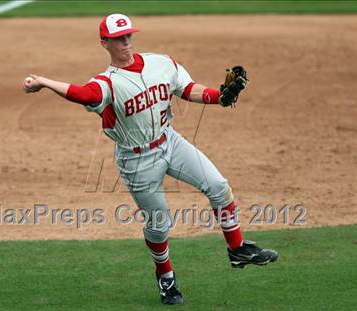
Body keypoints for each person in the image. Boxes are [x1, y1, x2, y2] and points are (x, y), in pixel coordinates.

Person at [23, 13, 278, 305]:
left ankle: (237, 249)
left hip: (169, 142)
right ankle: (165, 277)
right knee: (159, 224)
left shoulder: (161, 63)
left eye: (129, 35)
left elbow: (186, 89)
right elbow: (83, 94)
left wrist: (218, 96)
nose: (126, 42)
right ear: (104, 43)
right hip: (136, 161)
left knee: (219, 185)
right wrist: (44, 81)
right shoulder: (107, 82)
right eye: (119, 38)